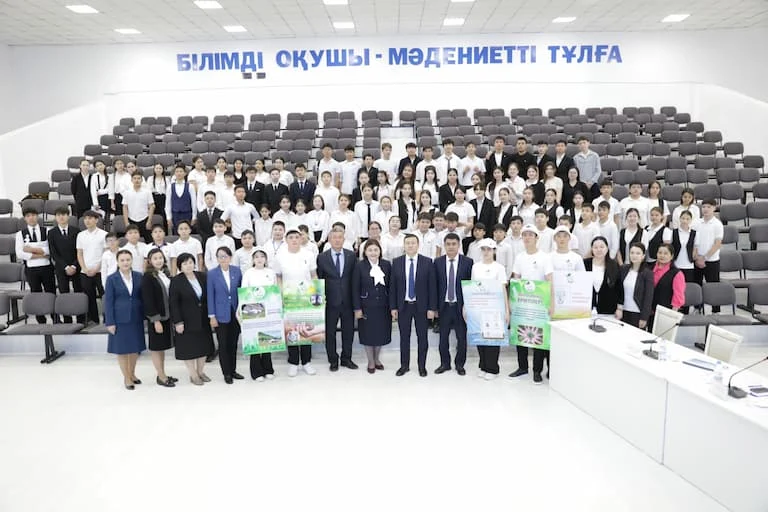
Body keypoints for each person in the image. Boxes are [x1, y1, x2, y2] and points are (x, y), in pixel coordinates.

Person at [509, 224, 554, 383]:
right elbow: (515, 279)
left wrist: (551, 304)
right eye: (525, 235)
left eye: (530, 235)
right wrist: (512, 302)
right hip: (522, 302)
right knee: (521, 334)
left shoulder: (545, 257)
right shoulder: (519, 257)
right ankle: (522, 367)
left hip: (540, 303)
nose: (527, 238)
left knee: (538, 338)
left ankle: (537, 370)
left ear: (536, 238)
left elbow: (550, 281)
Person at [389, 234, 437, 377]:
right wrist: (393, 307)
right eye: (407, 243)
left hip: (421, 306)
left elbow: (432, 287)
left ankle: (422, 366)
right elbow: (393, 287)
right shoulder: (396, 262)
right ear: (404, 246)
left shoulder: (427, 262)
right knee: (404, 337)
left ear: (418, 245)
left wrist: (431, 308)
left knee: (422, 338)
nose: (410, 245)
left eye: (413, 243)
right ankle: (404, 366)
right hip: (403, 306)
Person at [272, 228, 318, 377]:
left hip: (306, 297)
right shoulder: (280, 256)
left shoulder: (308, 254)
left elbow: (313, 275)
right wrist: (281, 295)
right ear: (286, 240)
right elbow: (278, 277)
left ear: (301, 238)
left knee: (305, 329)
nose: (294, 240)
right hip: (289, 297)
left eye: (297, 237)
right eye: (291, 237)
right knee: (291, 330)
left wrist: (317, 294)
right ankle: (293, 362)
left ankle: (306, 362)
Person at [170, 252, 214, 385]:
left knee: (203, 346)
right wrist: (178, 322)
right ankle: (193, 374)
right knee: (188, 348)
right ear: (180, 266)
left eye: (190, 262)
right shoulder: (176, 281)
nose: (188, 265)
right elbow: (173, 303)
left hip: (203, 318)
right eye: (185, 264)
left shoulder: (202, 276)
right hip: (186, 320)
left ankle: (200, 371)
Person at [432, 233, 473, 375]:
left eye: (453, 244)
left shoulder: (467, 262)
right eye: (448, 244)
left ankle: (460, 364)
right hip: (443, 306)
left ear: (459, 245)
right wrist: (434, 307)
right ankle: (445, 364)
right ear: (444, 246)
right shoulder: (437, 262)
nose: (451, 247)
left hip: (460, 307)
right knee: (443, 338)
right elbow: (434, 286)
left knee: (461, 338)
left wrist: (468, 306)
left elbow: (470, 286)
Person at [104, 250, 145, 390]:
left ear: (132, 260)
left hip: (136, 317)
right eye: (122, 260)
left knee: (134, 349)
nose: (125, 262)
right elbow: (108, 302)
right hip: (119, 319)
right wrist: (110, 322)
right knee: (122, 350)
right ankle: (126, 377)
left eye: (128, 259)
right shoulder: (111, 279)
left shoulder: (139, 276)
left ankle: (132, 373)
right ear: (117, 262)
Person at [350, 239, 391, 373]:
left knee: (381, 334)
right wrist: (357, 308)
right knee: (368, 335)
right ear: (365, 252)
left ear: (380, 251)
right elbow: (355, 288)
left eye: (375, 250)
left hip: (383, 306)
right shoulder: (359, 266)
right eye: (370, 250)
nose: (373, 253)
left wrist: (392, 307)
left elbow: (391, 287)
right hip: (366, 306)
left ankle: (377, 358)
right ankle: (371, 361)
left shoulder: (386, 265)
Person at [207, 246, 243, 384]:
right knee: (223, 345)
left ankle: (233, 370)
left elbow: (241, 291)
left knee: (233, 344)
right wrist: (212, 316)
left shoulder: (237, 271)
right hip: (220, 314)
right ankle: (226, 373)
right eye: (220, 256)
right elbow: (210, 295)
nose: (223, 259)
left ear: (230, 257)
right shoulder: (212, 274)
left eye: (225, 256)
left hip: (235, 313)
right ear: (217, 258)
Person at [141, 248, 176, 387]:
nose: (158, 260)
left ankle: (162, 374)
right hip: (156, 318)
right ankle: (161, 376)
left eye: (160, 258)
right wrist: (155, 320)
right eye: (155, 258)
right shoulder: (148, 277)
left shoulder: (165, 274)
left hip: (167, 316)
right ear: (150, 261)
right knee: (156, 348)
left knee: (161, 347)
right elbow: (148, 300)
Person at [15, 207, 56, 324]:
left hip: (46, 267)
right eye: (28, 216)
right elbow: (20, 253)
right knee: (36, 293)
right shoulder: (20, 234)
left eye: (33, 215)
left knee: (51, 292)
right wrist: (41, 253)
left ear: (37, 216)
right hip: (31, 269)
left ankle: (55, 318)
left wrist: (31, 249)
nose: (31, 218)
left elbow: (49, 250)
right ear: (25, 218)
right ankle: (41, 320)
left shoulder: (47, 231)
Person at [240, 249, 277, 381]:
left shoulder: (271, 273)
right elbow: (244, 291)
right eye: (256, 257)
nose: (259, 259)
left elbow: (275, 291)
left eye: (262, 256)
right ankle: (256, 372)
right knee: (255, 341)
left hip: (269, 310)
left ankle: (268, 369)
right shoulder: (248, 273)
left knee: (267, 339)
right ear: (253, 260)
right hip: (252, 310)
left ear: (266, 259)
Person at [47, 206, 82, 323]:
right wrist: (66, 267)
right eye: (58, 215)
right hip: (61, 268)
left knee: (78, 292)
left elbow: (79, 251)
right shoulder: (51, 233)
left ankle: (81, 318)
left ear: (68, 216)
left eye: (64, 214)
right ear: (55, 217)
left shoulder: (76, 231)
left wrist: (74, 265)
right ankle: (67, 320)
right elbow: (53, 253)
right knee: (64, 293)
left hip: (76, 266)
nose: (61, 217)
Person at [75, 210, 107, 323]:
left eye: (90, 218)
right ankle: (94, 320)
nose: (87, 221)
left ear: (96, 220)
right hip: (86, 271)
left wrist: (97, 268)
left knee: (104, 296)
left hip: (101, 271)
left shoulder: (104, 234)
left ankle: (107, 319)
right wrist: (84, 268)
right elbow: (79, 254)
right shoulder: (80, 235)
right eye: (85, 219)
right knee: (89, 297)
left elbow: (106, 254)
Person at [693, 199, 724, 312]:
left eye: (708, 207)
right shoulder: (696, 223)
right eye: (704, 207)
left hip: (711, 260)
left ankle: (716, 311)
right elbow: (693, 241)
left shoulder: (717, 224)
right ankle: (697, 308)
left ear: (714, 208)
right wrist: (697, 257)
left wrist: (704, 258)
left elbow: (717, 244)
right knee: (697, 285)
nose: (705, 209)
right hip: (697, 260)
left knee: (713, 286)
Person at [616, 243, 655, 329]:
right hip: (622, 311)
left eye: (638, 253)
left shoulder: (647, 273)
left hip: (637, 313)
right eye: (632, 253)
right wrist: (618, 308)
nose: (634, 255)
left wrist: (644, 317)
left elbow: (648, 297)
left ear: (643, 256)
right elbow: (618, 290)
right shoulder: (623, 269)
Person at [584, 237, 621, 314]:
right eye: (595, 247)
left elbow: (619, 288)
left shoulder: (614, 265)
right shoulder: (585, 264)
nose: (599, 250)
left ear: (607, 249)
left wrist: (619, 308)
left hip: (608, 309)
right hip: (586, 308)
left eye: (602, 247)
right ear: (592, 249)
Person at [651, 243, 686, 324]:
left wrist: (672, 315)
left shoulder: (677, 273)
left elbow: (678, 296)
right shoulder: (649, 269)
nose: (662, 255)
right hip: (650, 310)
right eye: (660, 253)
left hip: (666, 312)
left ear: (672, 256)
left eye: (666, 253)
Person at [221, 185, 258, 249]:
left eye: (243, 192)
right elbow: (221, 219)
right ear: (234, 194)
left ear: (245, 194)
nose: (241, 194)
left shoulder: (250, 206)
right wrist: (229, 225)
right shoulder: (230, 207)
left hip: (249, 236)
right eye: (238, 192)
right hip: (237, 236)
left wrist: (251, 222)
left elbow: (257, 218)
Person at [123, 170, 155, 243]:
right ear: (131, 180)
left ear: (142, 180)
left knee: (149, 241)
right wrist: (126, 222)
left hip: (145, 219)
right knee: (132, 241)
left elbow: (152, 206)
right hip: (131, 220)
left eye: (138, 178)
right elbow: (125, 207)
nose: (136, 180)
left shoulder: (147, 192)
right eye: (135, 178)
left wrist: (149, 221)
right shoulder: (127, 192)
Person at [165, 164, 196, 235]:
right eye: (177, 171)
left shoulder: (190, 186)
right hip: (175, 215)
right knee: (176, 234)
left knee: (187, 234)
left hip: (187, 214)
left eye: (181, 171)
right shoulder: (170, 187)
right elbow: (168, 203)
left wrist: (194, 217)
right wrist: (168, 217)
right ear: (174, 174)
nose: (179, 173)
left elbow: (193, 203)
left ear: (185, 173)